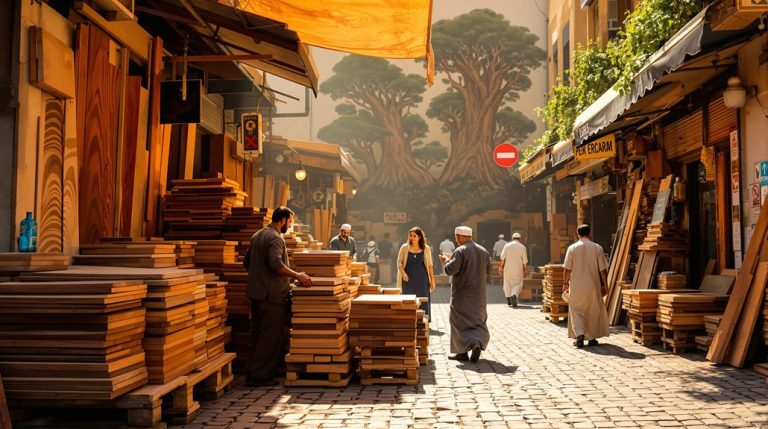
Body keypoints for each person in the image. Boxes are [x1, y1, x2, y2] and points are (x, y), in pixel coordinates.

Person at [243, 206, 312, 386]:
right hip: (271, 295)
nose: (289, 226)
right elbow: (275, 264)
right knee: (270, 337)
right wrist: (297, 275)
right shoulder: (275, 238)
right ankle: (260, 376)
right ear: (282, 220)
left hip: (256, 293)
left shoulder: (257, 235)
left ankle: (252, 371)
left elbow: (246, 262)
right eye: (289, 222)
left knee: (258, 334)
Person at [439, 226, 491, 362]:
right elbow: (488, 269)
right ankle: (476, 342)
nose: (456, 240)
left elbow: (451, 270)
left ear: (461, 236)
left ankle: (462, 353)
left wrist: (445, 261)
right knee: (477, 321)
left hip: (462, 295)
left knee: (459, 322)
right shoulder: (483, 250)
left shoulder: (460, 250)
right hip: (479, 296)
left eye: (456, 237)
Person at [563, 224, 610, 348]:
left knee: (576, 310)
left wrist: (565, 283)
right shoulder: (597, 248)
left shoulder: (572, 248)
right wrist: (605, 284)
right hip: (592, 285)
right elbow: (603, 269)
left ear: (577, 234)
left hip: (576, 285)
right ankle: (592, 337)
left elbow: (567, 269)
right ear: (590, 233)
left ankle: (580, 334)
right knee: (593, 310)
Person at [396, 227, 436, 318]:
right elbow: (399, 262)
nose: (412, 238)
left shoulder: (426, 249)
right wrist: (403, 273)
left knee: (423, 299)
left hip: (422, 280)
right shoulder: (404, 247)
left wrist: (432, 280)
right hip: (407, 279)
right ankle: (408, 319)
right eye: (411, 236)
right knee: (407, 299)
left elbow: (430, 265)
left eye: (414, 236)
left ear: (420, 237)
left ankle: (423, 319)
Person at [499, 232, 528, 308]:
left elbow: (502, 258)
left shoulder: (507, 245)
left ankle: (508, 298)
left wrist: (501, 267)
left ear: (512, 238)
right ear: (520, 239)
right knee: (518, 283)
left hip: (508, 269)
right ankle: (514, 295)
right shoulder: (522, 247)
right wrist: (525, 270)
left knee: (507, 283)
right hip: (518, 269)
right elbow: (525, 261)